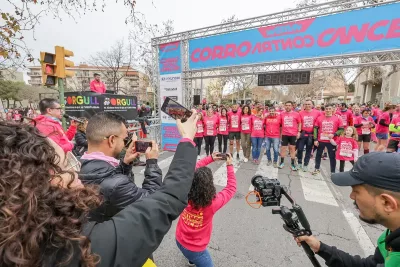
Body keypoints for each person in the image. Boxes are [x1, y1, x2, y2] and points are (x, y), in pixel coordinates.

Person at [0, 110, 199, 267]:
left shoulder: (17, 241)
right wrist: (161, 157)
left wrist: (125, 165)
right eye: (66, 166)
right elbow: (162, 199)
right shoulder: (76, 246)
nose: (76, 173)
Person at [296, 152, 400, 267]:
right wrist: (320, 248)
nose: (351, 196)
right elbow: (370, 265)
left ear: (387, 203)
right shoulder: (391, 235)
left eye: (356, 191)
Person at [78, 112, 162, 223]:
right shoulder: (117, 185)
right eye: (125, 140)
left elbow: (108, 177)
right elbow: (151, 201)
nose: (125, 145)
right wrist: (152, 163)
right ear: (112, 140)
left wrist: (125, 164)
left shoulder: (79, 166)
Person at [176, 153, 236, 267]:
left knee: (191, 255)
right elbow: (231, 188)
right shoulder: (212, 203)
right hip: (195, 249)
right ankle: (193, 259)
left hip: (179, 240)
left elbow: (191, 171)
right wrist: (230, 165)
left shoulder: (183, 193)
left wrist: (210, 158)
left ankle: (191, 260)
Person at [313, 104, 343, 175]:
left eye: (330, 109)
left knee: (332, 157)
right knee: (318, 155)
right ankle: (316, 168)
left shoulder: (337, 118)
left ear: (332, 110)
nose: (328, 110)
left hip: (331, 141)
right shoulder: (320, 118)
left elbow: (341, 129)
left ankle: (332, 172)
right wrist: (315, 139)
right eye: (326, 109)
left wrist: (334, 134)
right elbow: (315, 129)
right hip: (321, 140)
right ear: (324, 110)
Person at [297, 99, 320, 172]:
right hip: (303, 133)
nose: (307, 106)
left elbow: (320, 123)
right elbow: (298, 123)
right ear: (304, 105)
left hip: (311, 135)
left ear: (312, 105)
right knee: (300, 149)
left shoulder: (317, 113)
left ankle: (305, 165)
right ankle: (299, 163)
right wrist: (298, 132)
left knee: (308, 150)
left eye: (309, 104)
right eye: (306, 104)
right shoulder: (300, 113)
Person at [279, 101, 301, 170]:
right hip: (284, 134)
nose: (288, 106)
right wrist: (280, 133)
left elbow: (300, 123)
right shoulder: (281, 114)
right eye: (286, 105)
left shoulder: (296, 114)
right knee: (283, 149)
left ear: (292, 106)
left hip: (293, 134)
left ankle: (292, 164)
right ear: (284, 106)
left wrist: (299, 132)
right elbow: (280, 125)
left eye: (289, 105)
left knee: (292, 149)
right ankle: (282, 162)